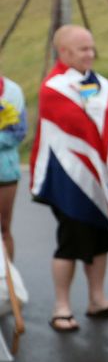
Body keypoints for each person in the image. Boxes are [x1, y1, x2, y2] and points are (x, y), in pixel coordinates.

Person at [30, 25, 108, 333]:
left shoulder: (100, 84)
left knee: (100, 239)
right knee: (71, 242)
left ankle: (97, 299)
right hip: (68, 180)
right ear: (64, 52)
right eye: (83, 49)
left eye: (92, 48)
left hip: (99, 180)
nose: (90, 54)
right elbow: (78, 126)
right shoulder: (53, 87)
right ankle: (61, 306)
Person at [0, 69, 27, 259]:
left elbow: (18, 132)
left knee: (3, 227)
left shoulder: (12, 91)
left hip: (5, 171)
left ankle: (8, 284)